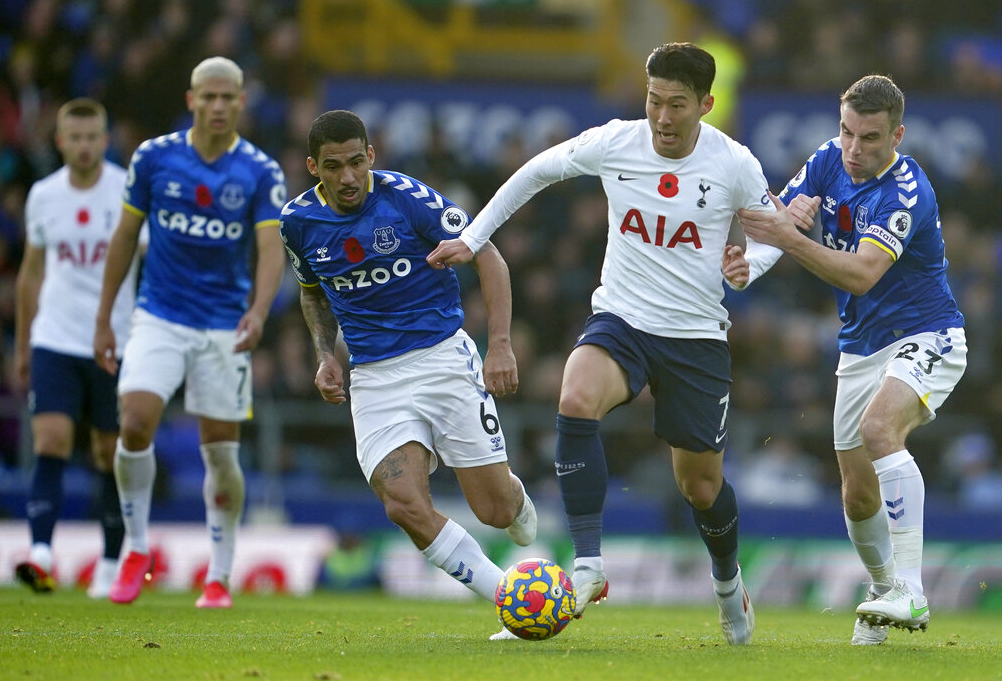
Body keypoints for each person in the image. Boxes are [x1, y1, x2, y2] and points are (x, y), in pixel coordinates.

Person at [428, 42, 776, 645]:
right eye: (653, 100)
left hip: (695, 336)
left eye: (677, 105)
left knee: (700, 486)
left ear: (707, 104)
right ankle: (588, 565)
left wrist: (752, 264)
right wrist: (475, 236)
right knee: (575, 396)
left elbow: (775, 231)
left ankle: (728, 583)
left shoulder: (734, 163)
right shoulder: (618, 140)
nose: (663, 117)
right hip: (622, 317)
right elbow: (536, 171)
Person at [279, 110, 537, 640]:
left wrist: (501, 345)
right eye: (333, 167)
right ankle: (512, 598)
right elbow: (312, 289)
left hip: (442, 358)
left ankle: (514, 496)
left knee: (493, 510)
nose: (348, 177)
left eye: (356, 162)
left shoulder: (408, 198)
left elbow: (488, 256)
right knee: (403, 504)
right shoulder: (298, 223)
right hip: (374, 378)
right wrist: (326, 355)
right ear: (313, 167)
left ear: (371, 155)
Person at [727, 74, 966, 644]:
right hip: (860, 346)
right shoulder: (829, 158)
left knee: (881, 429)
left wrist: (787, 238)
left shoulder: (906, 192)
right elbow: (771, 219)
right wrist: (752, 262)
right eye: (847, 132)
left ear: (898, 136)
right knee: (857, 491)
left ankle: (911, 589)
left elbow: (860, 274)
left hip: (927, 333)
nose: (855, 149)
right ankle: (884, 592)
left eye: (871, 138)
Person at [93, 57, 287, 608]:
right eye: (210, 97)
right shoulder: (154, 158)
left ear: (241, 102)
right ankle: (135, 549)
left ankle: (219, 576)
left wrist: (258, 311)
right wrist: (105, 316)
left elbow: (270, 249)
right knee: (133, 422)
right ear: (191, 99)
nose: (219, 106)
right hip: (158, 315)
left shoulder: (259, 170)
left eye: (229, 97)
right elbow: (125, 237)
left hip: (224, 325)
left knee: (221, 456)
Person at [13, 98, 137, 598]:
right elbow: (31, 273)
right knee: (51, 440)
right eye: (75, 137)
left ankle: (110, 562)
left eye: (93, 137)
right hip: (56, 338)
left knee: (109, 453)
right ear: (60, 141)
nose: (84, 146)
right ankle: (41, 554)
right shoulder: (43, 195)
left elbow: (147, 261)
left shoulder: (128, 189)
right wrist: (24, 344)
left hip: (114, 339)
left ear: (104, 140)